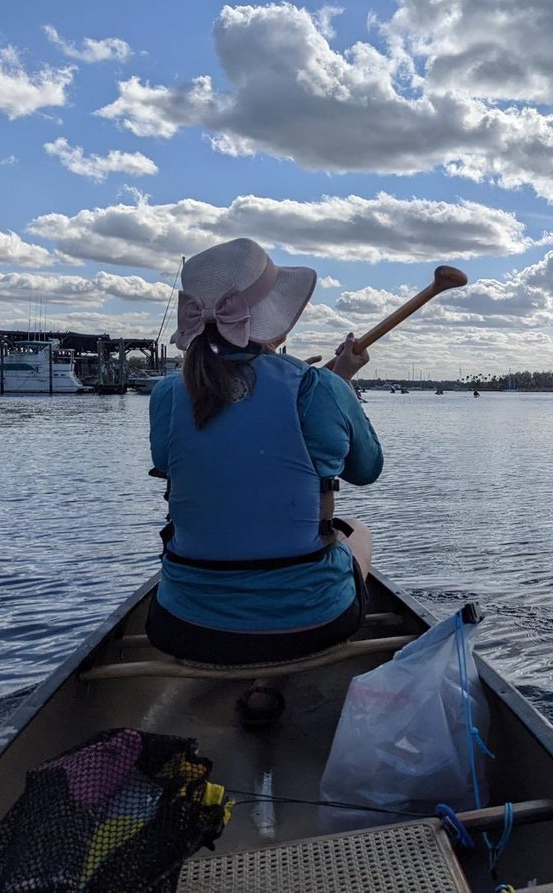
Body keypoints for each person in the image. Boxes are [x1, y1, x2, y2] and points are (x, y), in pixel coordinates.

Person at [145, 238, 382, 724]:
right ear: (273, 318)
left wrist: (329, 382)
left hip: (183, 624)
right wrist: (341, 384)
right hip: (313, 624)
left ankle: (258, 679)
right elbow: (366, 470)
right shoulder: (319, 388)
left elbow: (201, 457)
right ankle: (272, 674)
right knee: (356, 530)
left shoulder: (167, 393)